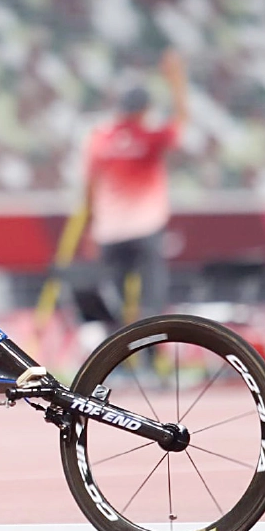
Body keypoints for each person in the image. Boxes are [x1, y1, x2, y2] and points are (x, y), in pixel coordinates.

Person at [83, 50, 189, 327]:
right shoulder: (149, 136)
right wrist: (176, 80)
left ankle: (115, 360)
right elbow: (182, 121)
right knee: (151, 299)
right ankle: (150, 357)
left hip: (109, 233)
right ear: (144, 111)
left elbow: (90, 186)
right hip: (145, 229)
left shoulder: (101, 138)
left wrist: (90, 229)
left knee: (114, 301)